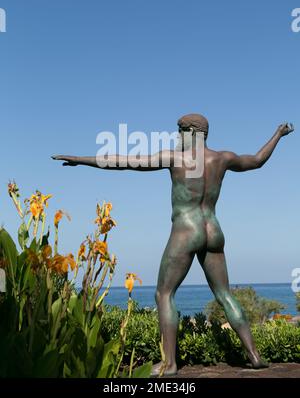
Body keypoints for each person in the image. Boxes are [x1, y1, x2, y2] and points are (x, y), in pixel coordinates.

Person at [52, 114, 294, 376]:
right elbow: (257, 160)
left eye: (179, 132)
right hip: (213, 231)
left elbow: (122, 162)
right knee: (224, 295)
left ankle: (169, 364)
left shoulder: (175, 158)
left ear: (191, 132)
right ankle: (255, 356)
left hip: (186, 231)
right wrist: (278, 135)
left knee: (164, 294)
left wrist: (80, 159)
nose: (177, 137)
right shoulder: (223, 158)